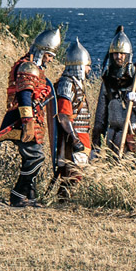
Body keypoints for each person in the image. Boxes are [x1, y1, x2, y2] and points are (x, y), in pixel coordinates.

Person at [0, 27, 61, 207]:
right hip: (21, 120)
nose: (50, 59)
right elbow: (24, 97)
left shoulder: (34, 67)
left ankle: (30, 197)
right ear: (41, 51)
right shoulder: (28, 67)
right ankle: (17, 195)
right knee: (36, 157)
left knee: (31, 157)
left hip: (33, 119)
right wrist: (28, 123)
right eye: (49, 55)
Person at [92, 26, 136, 157]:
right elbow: (100, 118)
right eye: (116, 53)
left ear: (128, 55)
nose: (119, 57)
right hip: (114, 138)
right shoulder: (107, 80)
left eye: (122, 53)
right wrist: (95, 146)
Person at [54, 38, 92, 199]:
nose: (89, 70)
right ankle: (63, 202)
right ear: (80, 66)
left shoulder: (76, 84)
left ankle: (64, 200)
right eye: (87, 66)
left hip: (80, 135)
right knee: (72, 174)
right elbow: (63, 116)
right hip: (72, 138)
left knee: (75, 175)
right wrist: (75, 140)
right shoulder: (67, 84)